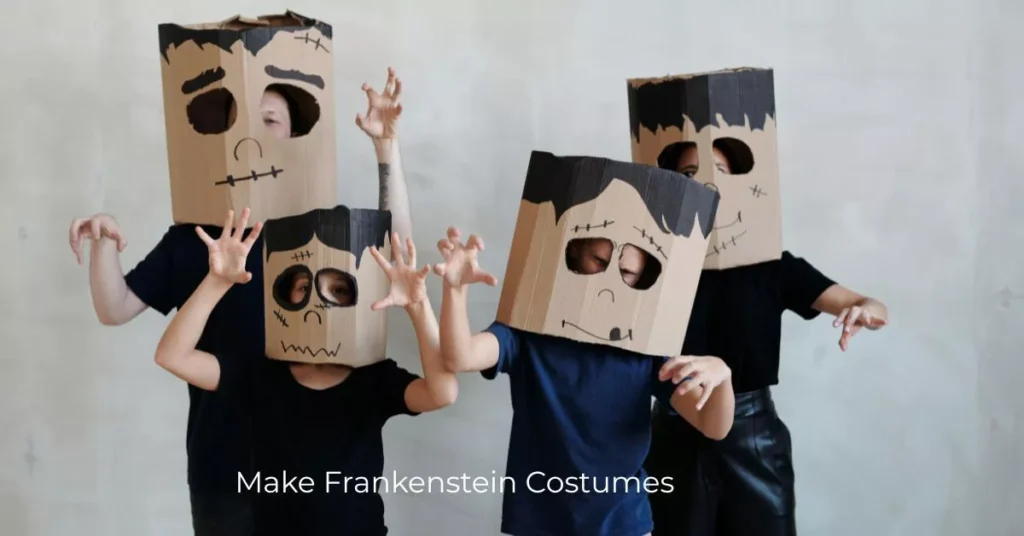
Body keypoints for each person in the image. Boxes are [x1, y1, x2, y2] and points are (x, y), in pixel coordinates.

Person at [67, 68, 414, 534]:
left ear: (294, 134)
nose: (251, 133)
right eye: (237, 119)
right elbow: (114, 308)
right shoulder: (194, 238)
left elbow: (398, 261)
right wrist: (103, 240)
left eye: (268, 119)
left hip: (313, 475)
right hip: (223, 468)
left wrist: (386, 147)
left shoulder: (321, 230)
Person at [154, 207, 456, 535]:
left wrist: (418, 307)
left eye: (338, 290)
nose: (319, 303)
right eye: (303, 287)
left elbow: (442, 393)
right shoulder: (261, 373)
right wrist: (216, 282)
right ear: (285, 295)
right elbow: (173, 356)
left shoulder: (373, 378)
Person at [643, 143, 890, 536]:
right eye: (690, 173)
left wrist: (865, 312)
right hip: (674, 434)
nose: (707, 183)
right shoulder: (645, 262)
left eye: (721, 169)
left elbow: (868, 304)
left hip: (753, 439)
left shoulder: (771, 265)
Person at [435, 225, 736, 536]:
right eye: (599, 262)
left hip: (623, 524)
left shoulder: (645, 349)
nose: (608, 284)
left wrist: (723, 377)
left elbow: (713, 425)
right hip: (539, 522)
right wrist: (455, 291)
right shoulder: (529, 330)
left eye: (626, 272)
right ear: (574, 252)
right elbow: (461, 357)